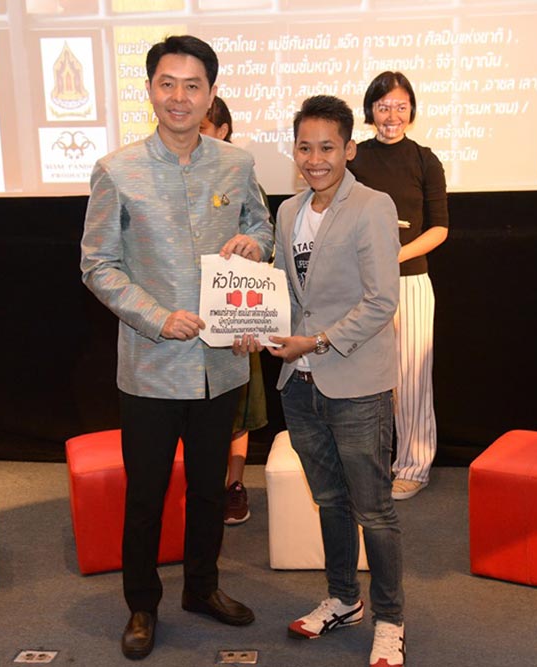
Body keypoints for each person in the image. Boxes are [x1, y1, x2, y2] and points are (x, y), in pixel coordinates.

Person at [80, 35, 273, 661]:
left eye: (193, 85)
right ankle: (142, 604)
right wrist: (157, 318)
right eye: (168, 84)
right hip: (151, 368)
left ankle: (202, 587)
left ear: (211, 93)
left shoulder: (236, 163)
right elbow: (97, 265)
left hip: (222, 363)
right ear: (150, 90)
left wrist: (255, 244)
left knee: (211, 490)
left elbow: (261, 225)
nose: (180, 97)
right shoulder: (116, 170)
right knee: (146, 494)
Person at [235, 95, 405, 667]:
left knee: (373, 510)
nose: (315, 159)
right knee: (329, 498)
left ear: (349, 149)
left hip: (356, 383)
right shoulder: (288, 212)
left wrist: (317, 342)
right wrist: (254, 324)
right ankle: (343, 599)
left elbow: (381, 301)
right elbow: (287, 293)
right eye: (305, 147)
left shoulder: (374, 206)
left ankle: (390, 620)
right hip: (300, 384)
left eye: (327, 147)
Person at [347, 71, 449, 501]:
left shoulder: (425, 160)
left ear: (412, 110)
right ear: (370, 110)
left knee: (410, 379)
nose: (392, 115)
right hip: (360, 285)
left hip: (410, 282)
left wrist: (395, 255)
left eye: (401, 107)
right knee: (364, 378)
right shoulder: (354, 158)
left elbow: (439, 228)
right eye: (384, 106)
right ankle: (367, 464)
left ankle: (412, 466)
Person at [200, 96, 271, 526]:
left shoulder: (241, 172)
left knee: (237, 410)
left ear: (223, 130)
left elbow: (264, 233)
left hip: (233, 310)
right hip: (187, 316)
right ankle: (202, 490)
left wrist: (252, 245)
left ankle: (235, 485)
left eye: (204, 127)